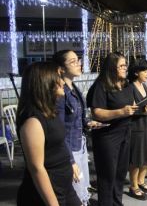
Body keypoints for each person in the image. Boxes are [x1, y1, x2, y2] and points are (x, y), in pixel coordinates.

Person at [16, 62, 81, 206]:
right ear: (45, 83)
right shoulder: (32, 121)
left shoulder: (50, 111)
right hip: (47, 194)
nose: (62, 81)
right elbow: (37, 168)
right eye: (57, 77)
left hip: (64, 188)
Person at [86, 52, 138, 205]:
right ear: (111, 68)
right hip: (107, 136)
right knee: (107, 175)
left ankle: (117, 202)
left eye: (125, 65)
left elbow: (132, 104)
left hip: (125, 132)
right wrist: (121, 112)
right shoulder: (100, 86)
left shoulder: (126, 84)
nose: (125, 68)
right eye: (121, 66)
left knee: (120, 174)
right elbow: (97, 113)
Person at [53, 50, 101, 205]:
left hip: (79, 144)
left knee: (81, 186)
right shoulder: (60, 93)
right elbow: (60, 131)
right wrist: (71, 161)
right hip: (69, 148)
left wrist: (88, 123)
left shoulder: (74, 88)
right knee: (74, 190)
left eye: (78, 60)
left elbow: (78, 119)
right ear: (61, 69)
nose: (78, 64)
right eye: (73, 62)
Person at [127, 59, 147, 200]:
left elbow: (146, 105)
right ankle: (133, 185)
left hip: (146, 124)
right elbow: (131, 110)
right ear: (136, 72)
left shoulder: (144, 86)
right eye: (144, 71)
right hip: (136, 126)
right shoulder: (130, 87)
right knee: (137, 158)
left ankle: (141, 180)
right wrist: (144, 111)